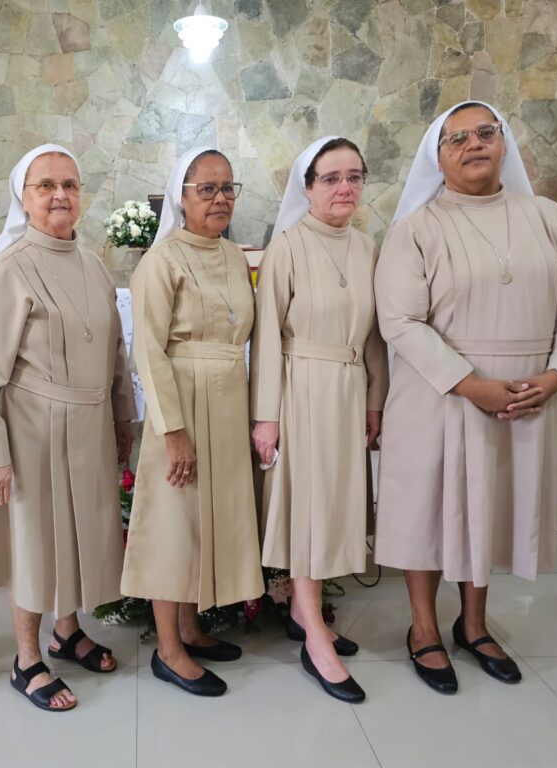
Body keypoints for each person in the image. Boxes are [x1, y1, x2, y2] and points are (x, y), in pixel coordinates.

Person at [374, 101, 557, 694]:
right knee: (428, 512)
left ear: (503, 143)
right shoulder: (416, 229)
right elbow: (400, 321)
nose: (473, 144)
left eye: (484, 133)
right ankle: (423, 628)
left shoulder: (545, 217)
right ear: (437, 157)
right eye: (457, 138)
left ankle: (474, 624)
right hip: (440, 395)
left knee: (489, 508)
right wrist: (473, 385)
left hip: (526, 398)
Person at [0, 144, 135, 713]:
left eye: (70, 185)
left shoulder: (92, 264)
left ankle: (67, 631)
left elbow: (115, 352)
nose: (60, 195)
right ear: (24, 197)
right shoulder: (7, 269)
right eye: (46, 186)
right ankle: (27, 658)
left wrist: (122, 417)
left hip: (89, 425)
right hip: (30, 430)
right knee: (35, 545)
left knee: (78, 535)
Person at [250, 136, 388, 703]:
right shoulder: (287, 247)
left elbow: (375, 334)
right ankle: (314, 639)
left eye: (354, 177)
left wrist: (375, 398)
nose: (344, 188)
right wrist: (266, 417)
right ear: (307, 187)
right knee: (308, 509)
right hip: (300, 388)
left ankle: (304, 615)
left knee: (333, 505)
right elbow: (265, 337)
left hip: (350, 390)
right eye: (331, 178)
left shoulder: (367, 247)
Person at [122, 147, 263, 697]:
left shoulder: (234, 256)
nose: (220, 198)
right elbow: (148, 350)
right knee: (174, 523)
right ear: (180, 197)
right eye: (206, 189)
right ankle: (168, 649)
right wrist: (172, 430)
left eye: (228, 188)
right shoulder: (160, 261)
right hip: (179, 399)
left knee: (206, 520)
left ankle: (189, 627)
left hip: (226, 399)